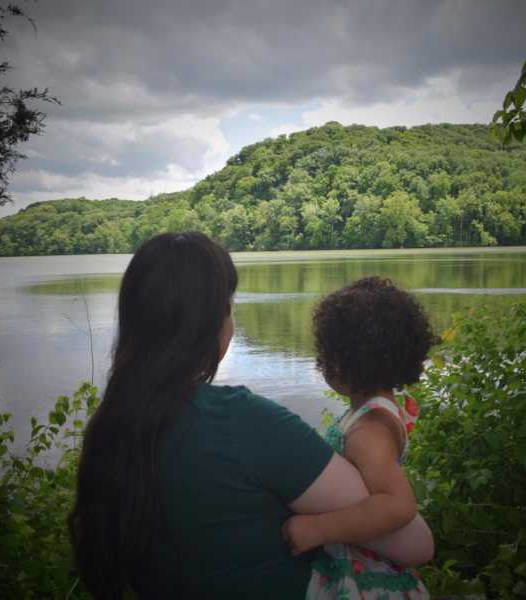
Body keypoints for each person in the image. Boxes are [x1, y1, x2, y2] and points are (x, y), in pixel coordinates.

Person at [68, 233, 434, 600]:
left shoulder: (112, 431)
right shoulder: (244, 425)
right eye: (229, 304)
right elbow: (415, 544)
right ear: (212, 324)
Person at [283, 276, 435, 599]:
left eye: (327, 353)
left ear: (346, 361)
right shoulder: (376, 409)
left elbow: (398, 506)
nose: (322, 363)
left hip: (369, 578)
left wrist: (317, 529)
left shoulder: (370, 431)